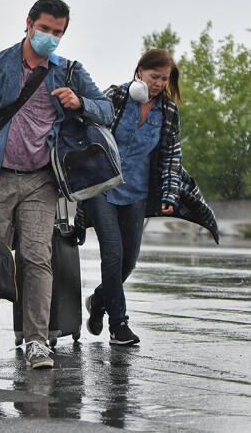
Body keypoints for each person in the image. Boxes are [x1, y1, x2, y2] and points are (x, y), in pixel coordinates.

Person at [0, 0, 114, 368]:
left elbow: (107, 109)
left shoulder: (68, 71)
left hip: (42, 181)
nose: (50, 37)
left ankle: (37, 341)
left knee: (38, 258)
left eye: (58, 32)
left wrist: (79, 103)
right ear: (28, 23)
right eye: (45, 29)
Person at [78, 49, 219, 345]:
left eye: (164, 79)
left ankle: (99, 300)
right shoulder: (116, 96)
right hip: (103, 187)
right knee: (112, 255)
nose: (158, 84)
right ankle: (119, 325)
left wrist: (170, 193)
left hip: (137, 193)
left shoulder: (167, 110)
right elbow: (88, 129)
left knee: (128, 261)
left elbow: (170, 156)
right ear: (140, 71)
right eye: (154, 77)